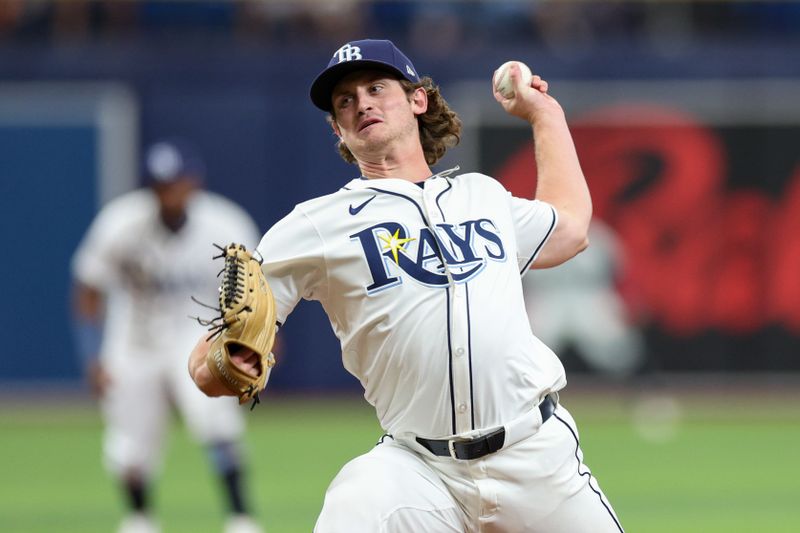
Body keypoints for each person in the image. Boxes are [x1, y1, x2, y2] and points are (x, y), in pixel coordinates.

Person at [189, 39, 624, 532]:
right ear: (337, 128)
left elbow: (569, 229)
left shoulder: (481, 196)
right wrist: (224, 363)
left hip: (536, 455)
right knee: (354, 502)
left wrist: (545, 115)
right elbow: (208, 363)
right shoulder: (315, 225)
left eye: (376, 88)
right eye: (345, 101)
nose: (362, 104)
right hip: (419, 470)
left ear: (418, 100)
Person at [71, 139, 264, 533]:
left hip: (198, 338)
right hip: (132, 341)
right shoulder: (120, 222)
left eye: (178, 182)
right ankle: (140, 518)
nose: (171, 191)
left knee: (218, 425)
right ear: (149, 187)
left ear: (194, 182)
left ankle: (240, 518)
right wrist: (92, 355)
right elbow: (88, 289)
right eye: (162, 184)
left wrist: (258, 345)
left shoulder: (225, 222)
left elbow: (255, 293)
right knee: (130, 445)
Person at [523, 218, 645, 378]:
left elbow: (620, 273)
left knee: (618, 350)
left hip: (591, 297)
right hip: (546, 297)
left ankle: (628, 388)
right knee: (528, 353)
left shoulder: (599, 235)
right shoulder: (535, 233)